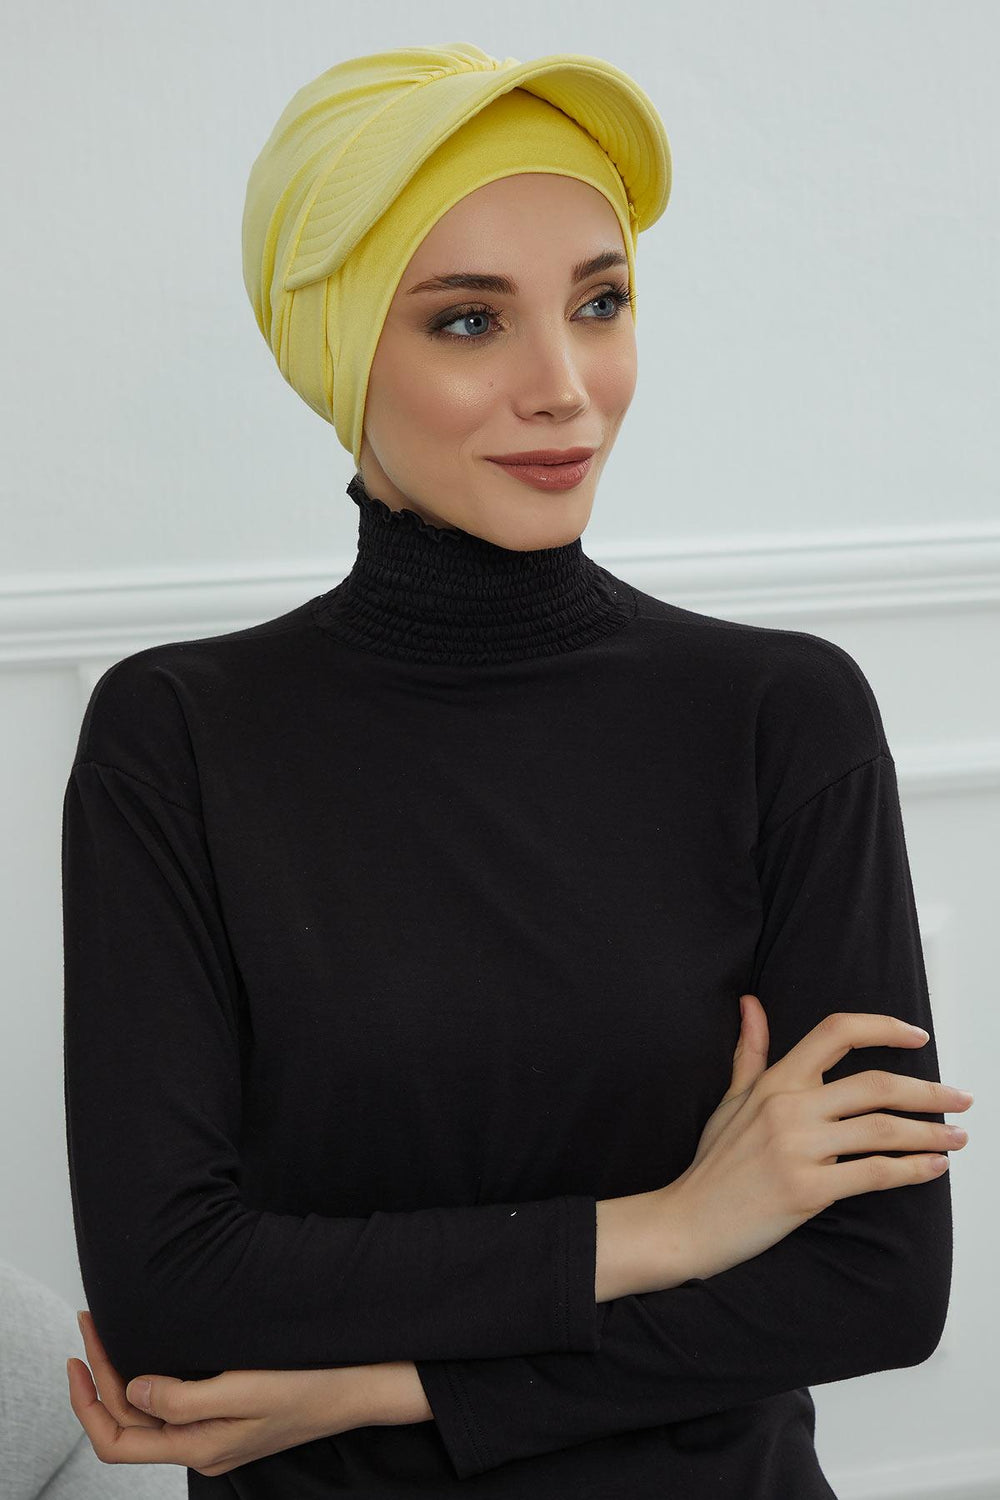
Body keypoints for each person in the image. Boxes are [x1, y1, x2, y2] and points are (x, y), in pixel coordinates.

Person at [61, 42, 964, 1499]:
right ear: (343, 349)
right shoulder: (175, 736)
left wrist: (383, 1386)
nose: (565, 387)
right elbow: (174, 1297)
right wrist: (674, 1228)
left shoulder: (783, 714)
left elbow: (875, 1286)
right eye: (470, 321)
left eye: (600, 303)